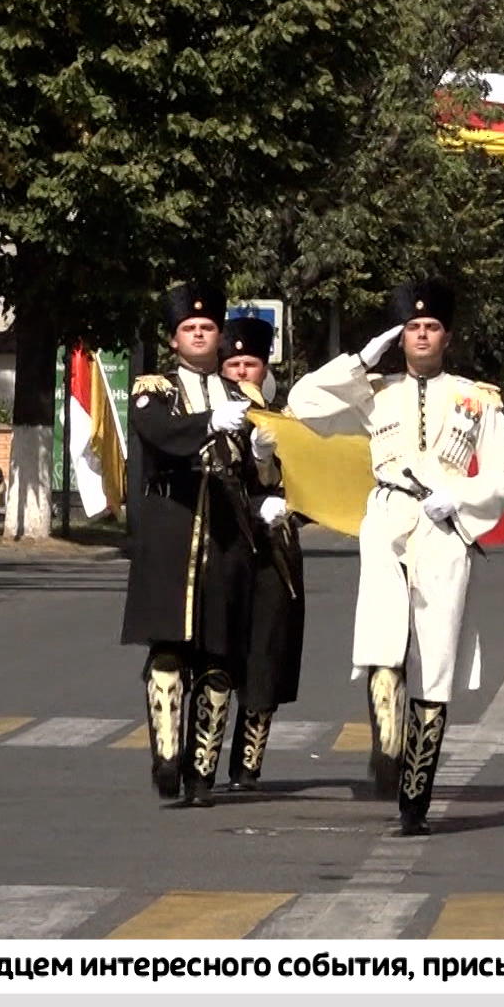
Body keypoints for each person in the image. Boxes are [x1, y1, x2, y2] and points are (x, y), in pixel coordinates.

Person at [286, 279, 504, 837]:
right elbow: (304, 404)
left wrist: (460, 496)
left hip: (443, 525)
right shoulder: (374, 391)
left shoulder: (475, 398)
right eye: (412, 328)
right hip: (388, 516)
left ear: (447, 336)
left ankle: (417, 793)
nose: (422, 335)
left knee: (436, 657)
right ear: (400, 337)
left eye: (431, 327)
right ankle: (389, 753)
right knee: (381, 640)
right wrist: (360, 359)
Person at [121, 280, 267, 808]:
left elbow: (256, 469)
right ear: (173, 338)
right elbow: (159, 434)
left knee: (219, 655)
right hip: (172, 526)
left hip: (226, 530)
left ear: (220, 335)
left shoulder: (242, 396)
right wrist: (208, 421)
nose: (200, 334)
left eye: (207, 328)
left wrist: (268, 463)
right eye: (190, 328)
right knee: (167, 649)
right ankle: (166, 756)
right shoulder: (151, 387)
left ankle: (202, 770)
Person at [218, 315, 304, 792]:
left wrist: (276, 479)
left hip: (274, 550)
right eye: (232, 364)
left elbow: (309, 477)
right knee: (218, 652)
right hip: (226, 541)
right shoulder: (212, 410)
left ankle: (248, 764)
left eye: (249, 363)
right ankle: (204, 758)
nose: (240, 373)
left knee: (264, 655)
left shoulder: (285, 411)